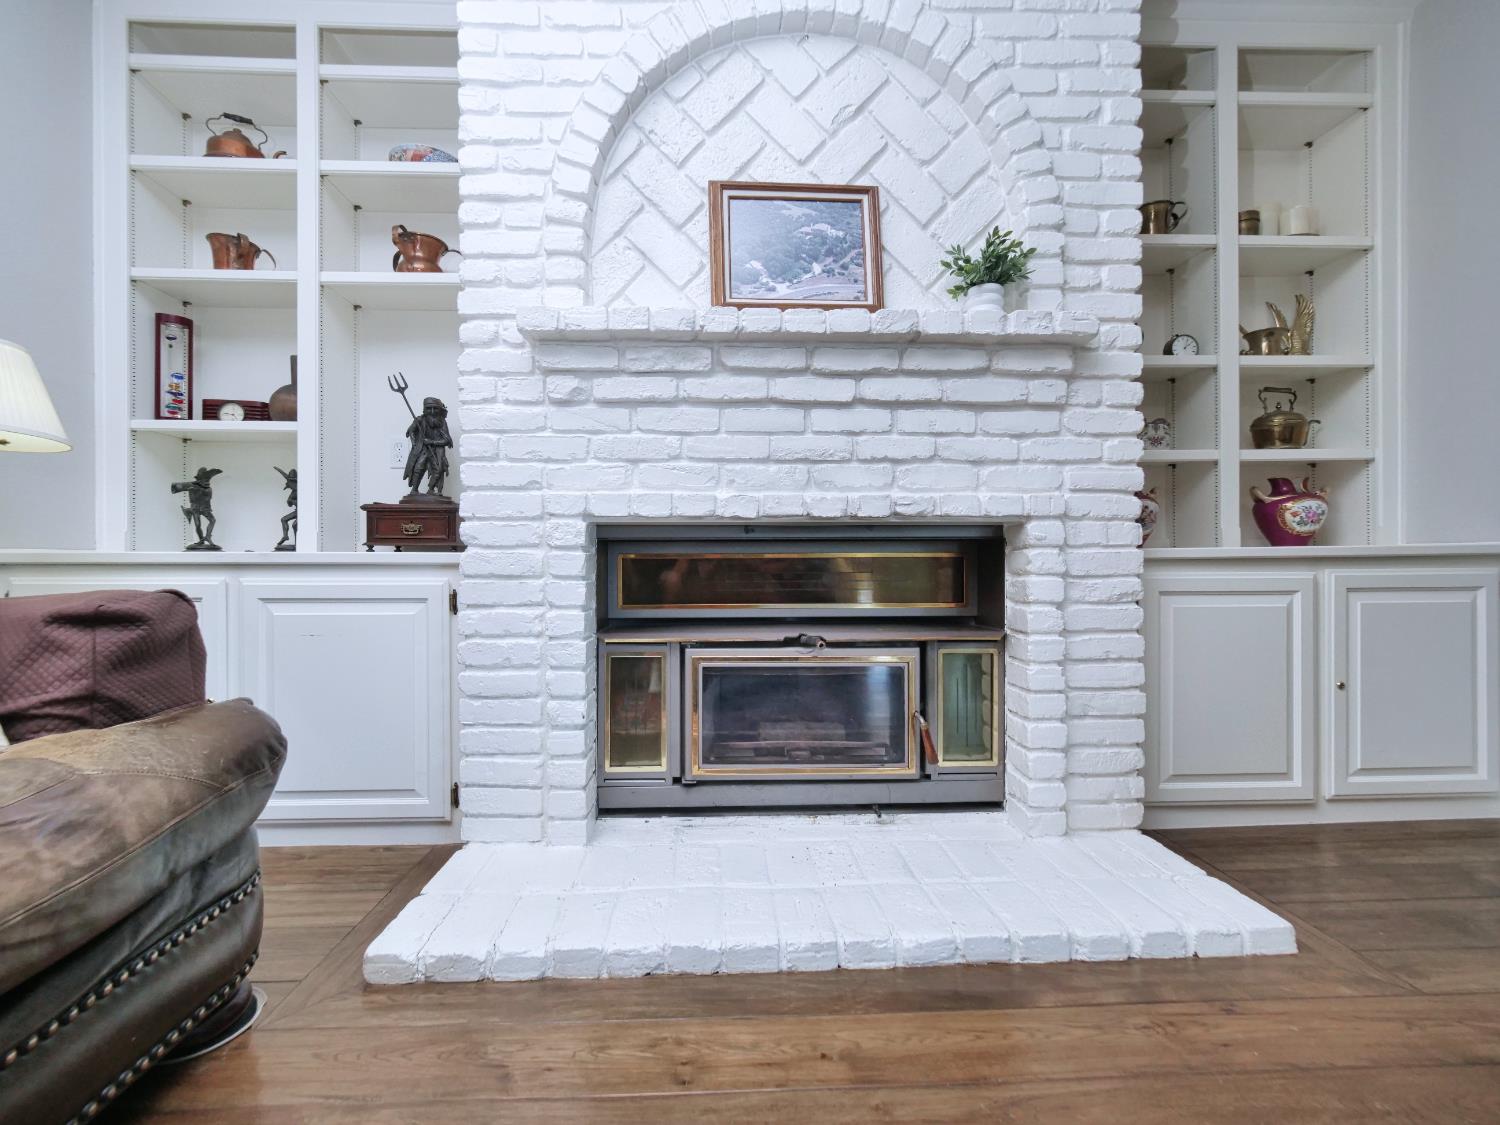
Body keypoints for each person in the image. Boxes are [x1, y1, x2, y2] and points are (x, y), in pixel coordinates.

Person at [403, 397, 453, 498]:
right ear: (424, 410)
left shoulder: (442, 422)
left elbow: (447, 440)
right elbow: (411, 431)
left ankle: (431, 489)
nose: (432, 411)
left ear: (439, 409)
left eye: (435, 408)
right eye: (429, 408)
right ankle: (414, 490)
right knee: (419, 467)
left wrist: (431, 442)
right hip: (423, 449)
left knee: (438, 469)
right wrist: (414, 443)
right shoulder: (420, 420)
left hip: (437, 450)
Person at [171, 467, 222, 550]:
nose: (205, 481)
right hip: (195, 508)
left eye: (207, 479)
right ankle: (202, 539)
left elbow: (208, 498)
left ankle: (208, 536)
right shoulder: (192, 486)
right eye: (204, 478)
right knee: (198, 525)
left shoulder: (207, 488)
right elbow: (175, 487)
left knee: (212, 520)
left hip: (205, 508)